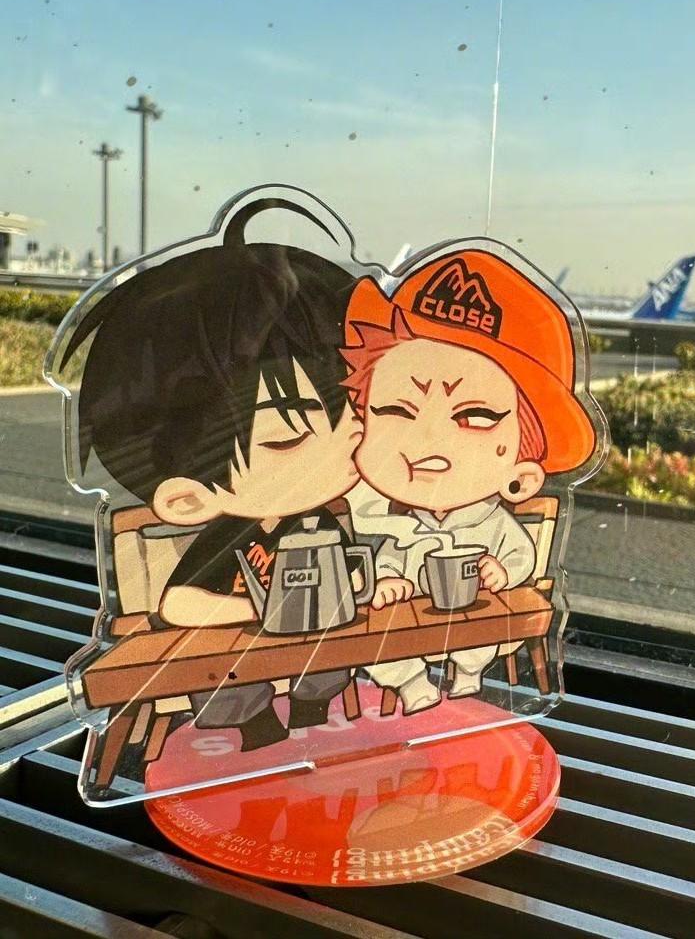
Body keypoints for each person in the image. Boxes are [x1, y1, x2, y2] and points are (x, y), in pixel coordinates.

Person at [60, 197, 374, 751]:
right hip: (234, 661)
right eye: (289, 438)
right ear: (188, 500)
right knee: (225, 678)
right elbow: (177, 603)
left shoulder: (320, 523)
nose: (351, 438)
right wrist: (258, 609)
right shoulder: (231, 535)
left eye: (351, 412)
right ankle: (258, 732)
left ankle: (311, 714)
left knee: (327, 667)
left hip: (314, 651)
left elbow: (352, 576)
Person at [341, 249, 598, 713]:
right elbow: (390, 559)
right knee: (381, 647)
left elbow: (519, 554)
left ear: (522, 474)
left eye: (474, 416)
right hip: (410, 626)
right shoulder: (401, 524)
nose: (428, 439)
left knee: (480, 636)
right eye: (397, 410)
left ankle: (468, 674)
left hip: (474, 617)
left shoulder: (492, 522)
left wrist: (504, 572)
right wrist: (388, 581)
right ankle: (412, 685)